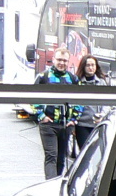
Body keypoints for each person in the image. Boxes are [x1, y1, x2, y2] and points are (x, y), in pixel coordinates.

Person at [33, 48, 75, 178]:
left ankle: (57, 182)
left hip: (65, 125)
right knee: (51, 156)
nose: (61, 63)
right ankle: (51, 184)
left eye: (65, 60)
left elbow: (80, 101)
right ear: (53, 60)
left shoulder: (73, 79)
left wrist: (73, 119)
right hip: (48, 124)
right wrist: (42, 116)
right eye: (59, 60)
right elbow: (32, 98)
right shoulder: (43, 77)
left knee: (61, 158)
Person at [71, 54, 108, 152]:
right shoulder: (77, 82)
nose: (91, 68)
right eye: (88, 65)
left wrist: (102, 115)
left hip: (97, 124)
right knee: (85, 152)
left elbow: (107, 102)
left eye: (93, 65)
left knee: (98, 152)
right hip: (82, 125)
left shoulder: (101, 82)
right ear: (83, 67)